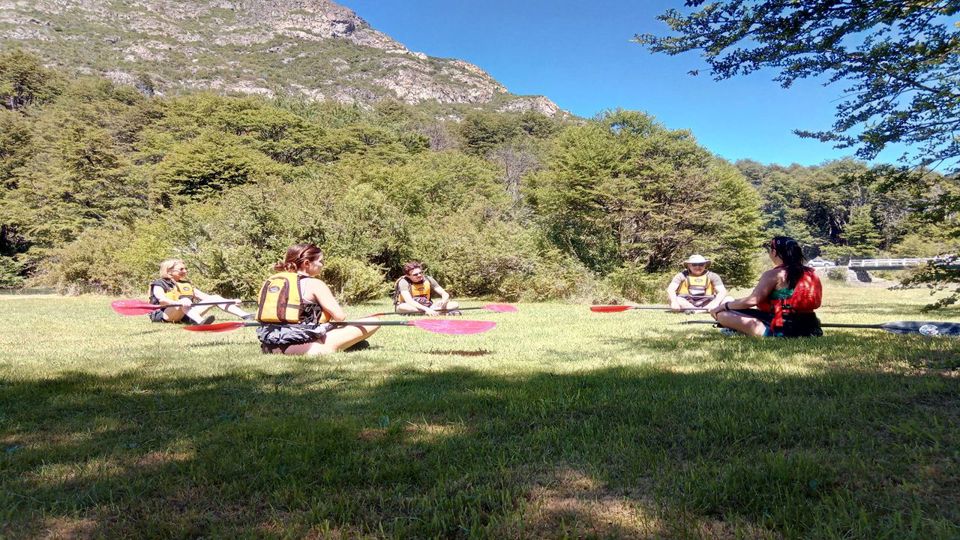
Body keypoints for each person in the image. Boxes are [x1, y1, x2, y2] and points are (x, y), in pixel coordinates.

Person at [256, 243, 380, 355]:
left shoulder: (273, 282)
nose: (323, 265)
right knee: (374, 321)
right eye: (321, 261)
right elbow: (340, 317)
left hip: (269, 345)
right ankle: (341, 346)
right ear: (306, 263)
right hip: (307, 347)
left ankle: (350, 345)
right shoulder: (315, 284)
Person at [709, 236, 823, 337]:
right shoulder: (811, 273)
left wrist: (724, 306)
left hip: (781, 327)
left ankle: (761, 333)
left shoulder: (774, 274)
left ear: (774, 252)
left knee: (722, 315)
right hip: (811, 325)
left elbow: (752, 301)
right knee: (736, 310)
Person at [148, 259, 252, 324]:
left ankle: (246, 316)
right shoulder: (159, 283)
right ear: (169, 271)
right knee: (184, 301)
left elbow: (205, 297)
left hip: (184, 314)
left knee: (214, 297)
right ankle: (201, 322)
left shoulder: (186, 284)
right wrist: (179, 302)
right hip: (165, 315)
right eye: (181, 269)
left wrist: (231, 301)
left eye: (185, 269)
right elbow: (162, 300)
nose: (185, 271)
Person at [393, 261, 459, 316]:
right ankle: (439, 312)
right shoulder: (403, 282)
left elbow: (445, 294)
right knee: (402, 307)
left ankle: (429, 312)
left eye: (420, 272)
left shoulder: (428, 279)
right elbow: (409, 301)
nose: (419, 275)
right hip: (410, 306)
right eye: (415, 274)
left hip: (429, 306)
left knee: (454, 304)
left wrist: (443, 301)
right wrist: (426, 309)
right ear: (408, 276)